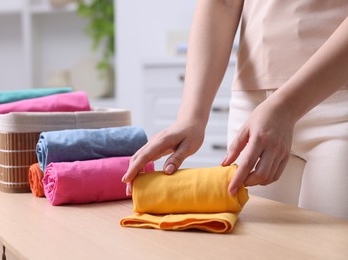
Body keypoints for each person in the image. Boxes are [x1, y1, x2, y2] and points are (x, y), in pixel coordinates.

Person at [122, 0, 348, 219]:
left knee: (331, 247)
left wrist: (286, 108)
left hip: (338, 106)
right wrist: (192, 117)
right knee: (259, 249)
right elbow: (222, 3)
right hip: (253, 108)